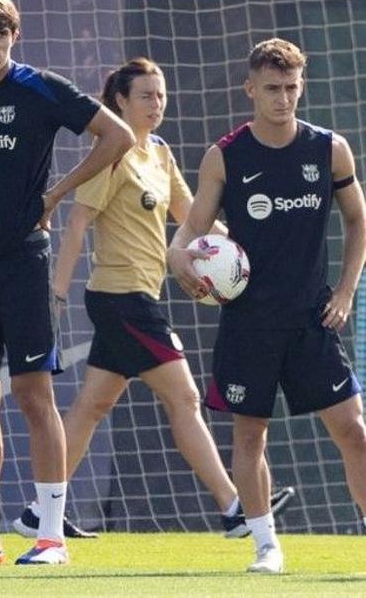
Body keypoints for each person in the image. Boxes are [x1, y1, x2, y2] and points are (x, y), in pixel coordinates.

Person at [13, 58, 294, 541]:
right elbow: (79, 222)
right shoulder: (114, 150)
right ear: (120, 100)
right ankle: (233, 508)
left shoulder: (159, 153)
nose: (156, 103)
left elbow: (192, 217)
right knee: (184, 396)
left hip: (138, 297)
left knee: (91, 407)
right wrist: (55, 292)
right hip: (121, 299)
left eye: (160, 95)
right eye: (145, 95)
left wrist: (251, 256)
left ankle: (40, 511)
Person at [0, 0, 135, 566]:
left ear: (14, 36)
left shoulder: (40, 87)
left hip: (24, 261)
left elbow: (118, 136)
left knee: (35, 395)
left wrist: (57, 193)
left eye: (2, 34)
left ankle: (50, 538)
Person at [167, 37, 366, 573]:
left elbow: (358, 219)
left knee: (354, 431)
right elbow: (195, 224)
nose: (284, 99)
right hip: (248, 322)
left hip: (312, 319)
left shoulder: (329, 148)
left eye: (292, 88)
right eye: (273, 89)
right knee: (251, 433)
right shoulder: (225, 156)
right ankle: (266, 546)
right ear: (250, 89)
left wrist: (346, 290)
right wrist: (176, 253)